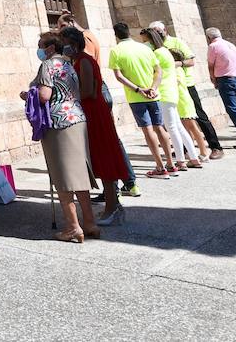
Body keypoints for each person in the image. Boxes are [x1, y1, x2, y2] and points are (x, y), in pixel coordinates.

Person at [27, 31, 97, 243]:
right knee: (80, 173)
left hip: (59, 121)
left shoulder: (48, 65)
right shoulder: (68, 64)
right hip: (77, 117)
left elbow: (44, 95)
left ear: (49, 48)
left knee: (63, 175)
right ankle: (90, 222)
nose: (39, 49)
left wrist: (28, 94)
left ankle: (73, 226)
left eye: (41, 45)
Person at [62, 25, 129, 224]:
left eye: (65, 43)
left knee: (104, 157)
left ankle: (112, 208)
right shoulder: (78, 61)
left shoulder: (84, 61)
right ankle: (113, 206)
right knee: (99, 158)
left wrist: (68, 98)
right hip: (89, 111)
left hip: (94, 112)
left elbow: (89, 91)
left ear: (73, 43)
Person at [108, 22, 175, 178]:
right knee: (160, 127)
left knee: (148, 129)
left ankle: (160, 166)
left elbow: (119, 76)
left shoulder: (116, 51)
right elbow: (158, 70)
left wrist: (138, 89)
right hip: (153, 94)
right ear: (129, 32)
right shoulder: (145, 48)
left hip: (136, 97)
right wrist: (153, 88)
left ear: (116, 35)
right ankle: (171, 163)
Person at [161, 23, 223, 159]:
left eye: (158, 31)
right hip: (170, 87)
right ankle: (186, 148)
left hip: (186, 84)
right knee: (178, 119)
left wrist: (178, 63)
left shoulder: (177, 42)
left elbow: (191, 61)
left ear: (165, 30)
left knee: (198, 116)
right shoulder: (156, 46)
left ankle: (215, 147)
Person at [143, 26, 200, 172]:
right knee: (178, 127)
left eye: (145, 40)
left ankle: (180, 160)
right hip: (172, 92)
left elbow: (153, 72)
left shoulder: (158, 54)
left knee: (172, 128)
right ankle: (193, 157)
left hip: (164, 93)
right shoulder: (165, 52)